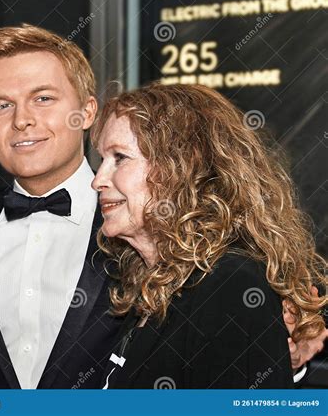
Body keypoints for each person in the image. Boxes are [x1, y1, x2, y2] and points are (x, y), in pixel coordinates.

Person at [0, 26, 323, 389]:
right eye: (1, 105)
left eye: (43, 98)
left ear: (86, 112)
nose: (22, 119)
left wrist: (283, 364)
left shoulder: (147, 237)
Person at [91, 83, 327, 388]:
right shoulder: (150, 286)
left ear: (182, 166)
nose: (97, 180)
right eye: (102, 160)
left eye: (120, 158)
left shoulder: (228, 286)